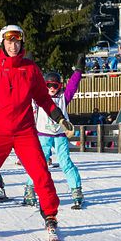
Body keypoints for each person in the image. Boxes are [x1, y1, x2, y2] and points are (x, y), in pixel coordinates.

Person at [0, 25, 73, 241]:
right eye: (9, 41)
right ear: (2, 43)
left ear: (22, 44)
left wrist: (60, 118)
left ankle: (50, 217)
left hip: (25, 132)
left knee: (41, 173)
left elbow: (43, 98)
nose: (13, 45)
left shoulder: (30, 69)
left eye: (17, 41)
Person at [29, 63, 85, 209]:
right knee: (39, 163)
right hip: (43, 135)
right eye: (48, 85)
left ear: (59, 86)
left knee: (65, 162)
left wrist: (78, 70)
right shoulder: (39, 97)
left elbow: (73, 85)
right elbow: (30, 82)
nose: (52, 89)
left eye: (55, 85)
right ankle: (30, 189)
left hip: (60, 135)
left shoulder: (63, 98)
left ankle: (76, 190)